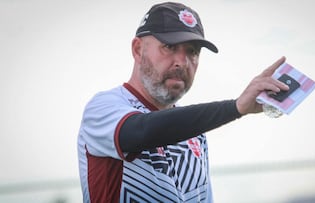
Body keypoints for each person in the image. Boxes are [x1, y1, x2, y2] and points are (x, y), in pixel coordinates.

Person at [77, 2, 289, 203]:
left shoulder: (196, 134)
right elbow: (142, 130)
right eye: (169, 47)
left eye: (192, 52)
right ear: (137, 49)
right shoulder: (103, 107)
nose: (182, 61)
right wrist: (235, 108)